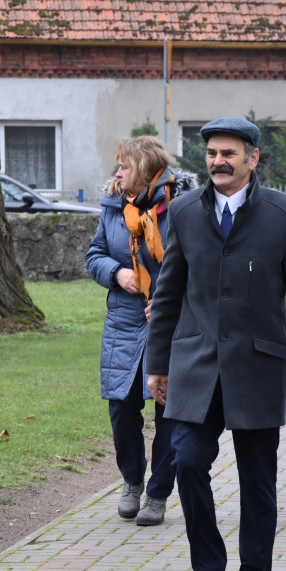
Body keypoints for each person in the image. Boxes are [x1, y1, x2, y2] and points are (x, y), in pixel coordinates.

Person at [145, 117, 286, 571]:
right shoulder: (182, 212)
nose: (218, 162)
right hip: (195, 368)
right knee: (185, 462)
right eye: (210, 154)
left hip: (257, 370)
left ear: (252, 158)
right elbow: (167, 295)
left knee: (257, 484)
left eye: (228, 153)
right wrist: (156, 364)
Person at [85, 135, 197, 526]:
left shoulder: (184, 208)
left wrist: (169, 298)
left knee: (168, 410)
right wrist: (117, 272)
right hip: (123, 322)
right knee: (121, 407)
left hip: (171, 324)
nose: (118, 173)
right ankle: (132, 479)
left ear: (145, 169)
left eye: (124, 166)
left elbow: (198, 265)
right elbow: (94, 254)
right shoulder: (115, 207)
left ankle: (158, 492)